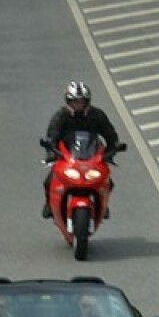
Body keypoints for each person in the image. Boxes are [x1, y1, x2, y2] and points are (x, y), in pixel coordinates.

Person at [42, 81, 120, 219]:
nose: (78, 105)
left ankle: (103, 204)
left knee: (108, 182)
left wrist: (112, 150)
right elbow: (52, 135)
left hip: (91, 157)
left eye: (81, 101)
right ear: (68, 102)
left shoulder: (97, 115)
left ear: (87, 102)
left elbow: (110, 134)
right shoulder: (61, 116)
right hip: (67, 157)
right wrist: (51, 152)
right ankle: (49, 205)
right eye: (74, 102)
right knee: (48, 181)